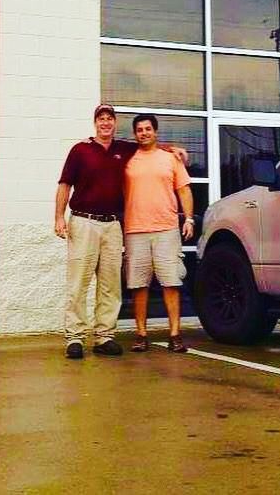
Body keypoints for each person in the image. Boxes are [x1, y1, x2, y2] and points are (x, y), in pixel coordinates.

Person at [54, 104, 186, 360]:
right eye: (101, 119)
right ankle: (75, 338)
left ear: (115, 123)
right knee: (78, 283)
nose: (106, 123)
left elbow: (148, 145)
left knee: (110, 284)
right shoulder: (80, 150)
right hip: (84, 222)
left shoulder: (123, 149)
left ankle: (104, 336)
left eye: (110, 119)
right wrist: (59, 217)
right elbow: (64, 185)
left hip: (113, 225)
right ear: (95, 123)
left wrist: (172, 149)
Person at [123, 114, 194, 353]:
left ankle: (175, 334)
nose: (143, 133)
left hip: (167, 229)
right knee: (138, 286)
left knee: (171, 283)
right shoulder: (127, 159)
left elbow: (184, 191)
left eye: (148, 129)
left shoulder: (171, 159)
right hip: (135, 230)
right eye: (139, 130)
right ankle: (141, 335)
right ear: (135, 134)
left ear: (155, 132)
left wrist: (189, 218)